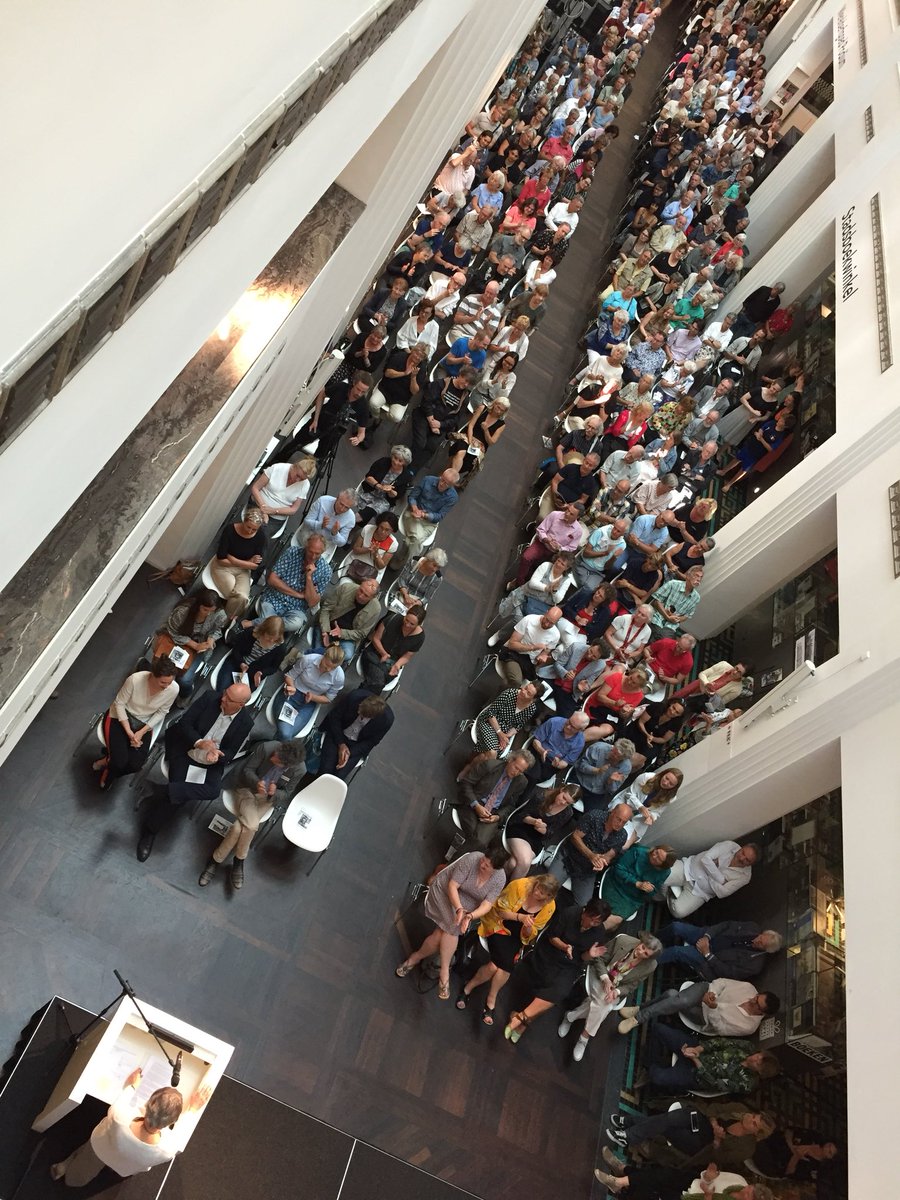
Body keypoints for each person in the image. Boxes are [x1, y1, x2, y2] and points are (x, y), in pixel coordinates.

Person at [137, 684, 255, 862]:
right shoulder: (209, 698)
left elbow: (231, 752)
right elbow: (184, 724)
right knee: (178, 798)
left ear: (240, 705)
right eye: (225, 693)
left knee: (212, 791)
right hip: (186, 750)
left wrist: (218, 756)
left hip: (210, 762)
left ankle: (159, 790)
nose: (223, 698)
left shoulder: (246, 722)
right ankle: (150, 832)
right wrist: (200, 742)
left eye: (229, 699)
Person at [50, 1069, 211, 1185]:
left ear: (148, 1104)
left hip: (102, 1149)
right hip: (127, 1165)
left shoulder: (120, 1116)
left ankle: (68, 1173)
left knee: (82, 1169)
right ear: (170, 1123)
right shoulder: (169, 1149)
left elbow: (123, 1095)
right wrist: (192, 1109)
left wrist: (132, 1085)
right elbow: (181, 1133)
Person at [396, 846, 508, 1000]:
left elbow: (487, 905)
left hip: (468, 905)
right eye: (483, 860)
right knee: (453, 926)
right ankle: (444, 972)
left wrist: (470, 916)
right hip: (444, 891)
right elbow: (452, 886)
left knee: (441, 933)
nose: (482, 864)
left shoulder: (500, 878)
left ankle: (414, 958)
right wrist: (459, 909)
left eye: (487, 865)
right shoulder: (472, 859)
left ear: (495, 869)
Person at [199, 740, 307, 889]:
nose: (273, 757)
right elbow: (247, 770)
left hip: (266, 799)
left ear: (286, 765)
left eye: (277, 760)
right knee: (252, 825)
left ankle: (215, 860)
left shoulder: (299, 770)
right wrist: (257, 783)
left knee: (238, 828)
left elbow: (287, 793)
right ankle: (239, 861)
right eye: (276, 754)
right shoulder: (267, 747)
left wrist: (275, 793)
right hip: (247, 789)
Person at [503, 897, 613, 1044]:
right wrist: (565, 947)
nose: (593, 924)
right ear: (585, 911)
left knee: (559, 991)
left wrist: (590, 955)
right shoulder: (570, 913)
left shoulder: (598, 932)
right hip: (551, 952)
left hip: (571, 964)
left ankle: (520, 1017)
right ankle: (522, 1023)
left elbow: (583, 957)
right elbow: (552, 937)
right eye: (592, 919)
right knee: (548, 988)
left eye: (597, 922)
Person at [458, 874, 560, 1024]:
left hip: (516, 936)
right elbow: (499, 911)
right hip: (499, 925)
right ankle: (489, 1000)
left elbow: (532, 933)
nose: (538, 893)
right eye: (538, 888)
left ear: (549, 897)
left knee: (495, 966)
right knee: (502, 966)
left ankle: (469, 988)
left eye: (543, 893)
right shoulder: (519, 886)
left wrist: (527, 928)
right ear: (536, 883)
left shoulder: (549, 907)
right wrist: (520, 918)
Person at [559, 930, 662, 1062]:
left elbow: (632, 986)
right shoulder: (623, 940)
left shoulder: (650, 966)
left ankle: (571, 1016)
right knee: (604, 1006)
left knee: (603, 1004)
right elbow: (599, 959)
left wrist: (617, 992)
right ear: (641, 942)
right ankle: (584, 1037)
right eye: (642, 947)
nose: (641, 952)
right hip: (600, 975)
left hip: (616, 987)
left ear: (650, 957)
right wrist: (605, 979)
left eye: (646, 953)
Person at [605, 1106, 777, 1174]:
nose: (750, 1119)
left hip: (702, 1147)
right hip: (704, 1125)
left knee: (670, 1126)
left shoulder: (747, 1149)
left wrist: (717, 1139)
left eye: (754, 1123)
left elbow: (717, 1158)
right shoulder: (739, 1110)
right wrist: (714, 1122)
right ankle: (628, 1132)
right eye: (754, 1116)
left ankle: (628, 1127)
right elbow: (713, 1108)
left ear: (757, 1133)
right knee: (677, 1117)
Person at [95, 657, 178, 788]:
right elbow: (119, 704)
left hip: (143, 724)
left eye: (170, 682)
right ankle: (110, 771)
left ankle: (107, 762)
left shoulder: (173, 689)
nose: (167, 686)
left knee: (135, 765)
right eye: (163, 682)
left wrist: (141, 731)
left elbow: (162, 712)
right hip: (120, 717)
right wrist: (129, 732)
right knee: (119, 762)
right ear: (153, 676)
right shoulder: (135, 680)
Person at [642, 1026, 781, 1096]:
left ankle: (652, 1067)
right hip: (700, 1049)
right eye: (759, 1056)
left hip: (696, 1074)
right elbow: (721, 1042)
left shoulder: (747, 1084)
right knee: (658, 1029)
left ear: (759, 1072)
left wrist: (696, 1060)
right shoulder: (749, 1048)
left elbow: (714, 1083)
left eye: (758, 1062)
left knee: (656, 1077)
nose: (755, 1057)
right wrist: (698, 1049)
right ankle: (651, 1062)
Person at [618, 978, 780, 1037]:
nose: (752, 1000)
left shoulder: (749, 1026)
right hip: (705, 990)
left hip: (704, 1016)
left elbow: (720, 1029)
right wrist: (712, 993)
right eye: (756, 997)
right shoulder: (749, 988)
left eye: (756, 1004)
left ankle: (639, 1010)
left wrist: (714, 1007)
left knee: (671, 995)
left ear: (761, 1012)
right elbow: (722, 982)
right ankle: (638, 1018)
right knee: (680, 1000)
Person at [549, 802, 632, 905]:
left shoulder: (622, 835)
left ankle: (565, 917)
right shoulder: (594, 816)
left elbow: (610, 854)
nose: (620, 824)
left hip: (587, 871)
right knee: (547, 887)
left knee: (584, 905)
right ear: (612, 812)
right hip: (568, 857)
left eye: (624, 822)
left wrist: (602, 861)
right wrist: (591, 855)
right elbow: (575, 837)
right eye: (618, 819)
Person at [157, 590, 227, 699]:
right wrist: (193, 644)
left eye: (211, 611)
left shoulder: (219, 614)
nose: (208, 614)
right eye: (205, 610)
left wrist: (211, 638)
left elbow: (218, 629)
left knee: (184, 680)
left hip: (200, 646)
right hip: (176, 641)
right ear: (198, 605)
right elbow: (172, 631)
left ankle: (185, 695)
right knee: (163, 670)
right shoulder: (182, 612)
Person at [656, 921, 784, 980]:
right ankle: (650, 941)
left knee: (676, 951)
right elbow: (726, 925)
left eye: (761, 943)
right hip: (708, 937)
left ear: (766, 950)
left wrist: (707, 954)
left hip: (708, 962)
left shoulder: (754, 965)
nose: (757, 940)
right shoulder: (753, 927)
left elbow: (727, 972)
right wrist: (707, 936)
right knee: (676, 927)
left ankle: (647, 959)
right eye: (760, 937)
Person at [258, 532, 332, 633]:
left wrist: (309, 578)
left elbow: (312, 602)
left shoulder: (326, 571)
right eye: (310, 552)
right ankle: (273, 636)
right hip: (274, 598)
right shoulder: (292, 552)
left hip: (297, 608)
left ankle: (257, 624)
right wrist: (299, 595)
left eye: (317, 553)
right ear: (306, 546)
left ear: (323, 552)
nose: (313, 556)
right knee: (268, 618)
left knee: (295, 623)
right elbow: (272, 579)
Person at [505, 783, 581, 879]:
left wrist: (544, 830)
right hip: (521, 828)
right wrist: (533, 821)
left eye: (567, 803)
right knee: (525, 861)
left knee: (513, 863)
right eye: (564, 798)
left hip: (537, 839)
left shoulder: (567, 813)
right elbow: (520, 816)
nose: (563, 802)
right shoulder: (541, 797)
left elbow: (551, 833)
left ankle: (498, 880)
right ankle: (510, 892)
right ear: (561, 790)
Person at [665, 841, 760, 917]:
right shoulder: (730, 845)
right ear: (742, 847)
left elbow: (723, 893)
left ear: (750, 864)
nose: (742, 858)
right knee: (662, 873)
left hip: (700, 892)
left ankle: (669, 891)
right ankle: (664, 889)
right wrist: (722, 880)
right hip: (688, 869)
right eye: (743, 852)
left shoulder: (745, 877)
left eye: (747, 860)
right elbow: (705, 859)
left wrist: (711, 870)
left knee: (678, 912)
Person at [274, 645, 346, 739]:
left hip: (309, 703)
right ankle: (270, 748)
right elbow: (290, 676)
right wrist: (292, 687)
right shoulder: (308, 660)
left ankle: (269, 747)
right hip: (292, 694)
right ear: (323, 656)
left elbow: (328, 698)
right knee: (286, 734)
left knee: (286, 734)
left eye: (333, 668)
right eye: (326, 665)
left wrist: (313, 697)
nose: (328, 670)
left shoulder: (339, 677)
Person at [319, 689, 393, 779]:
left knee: (339, 777)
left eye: (362, 715)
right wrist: (341, 743)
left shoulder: (386, 720)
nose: (358, 713)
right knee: (325, 771)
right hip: (338, 733)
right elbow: (335, 717)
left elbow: (371, 742)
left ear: (372, 717)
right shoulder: (354, 697)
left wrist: (349, 753)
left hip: (356, 746)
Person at [209, 508, 267, 620]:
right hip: (223, 567)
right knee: (239, 599)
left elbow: (255, 566)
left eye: (254, 529)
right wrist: (247, 562)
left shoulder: (260, 537)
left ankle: (221, 620)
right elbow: (221, 559)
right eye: (248, 527)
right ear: (243, 521)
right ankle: (225, 622)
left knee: (242, 597)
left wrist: (234, 560)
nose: (250, 531)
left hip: (242, 571)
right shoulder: (230, 530)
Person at [395, 469, 460, 565]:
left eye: (446, 484)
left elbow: (440, 516)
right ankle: (411, 564)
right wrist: (415, 509)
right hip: (412, 514)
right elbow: (412, 496)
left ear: (451, 486)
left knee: (413, 540)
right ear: (441, 476)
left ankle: (401, 558)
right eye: (442, 480)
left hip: (429, 522)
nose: (442, 484)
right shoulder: (428, 480)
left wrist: (424, 515)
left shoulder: (452, 497)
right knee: (417, 540)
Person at [603, 844, 676, 927]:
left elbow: (653, 891)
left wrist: (649, 890)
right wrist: (636, 883)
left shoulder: (665, 872)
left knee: (616, 920)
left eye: (659, 858)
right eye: (656, 851)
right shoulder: (638, 852)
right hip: (617, 884)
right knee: (604, 911)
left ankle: (594, 932)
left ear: (663, 865)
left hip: (633, 898)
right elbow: (619, 869)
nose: (654, 856)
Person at [360, 605, 426, 692]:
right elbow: (376, 638)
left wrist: (398, 664)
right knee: (378, 682)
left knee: (376, 682)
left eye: (412, 624)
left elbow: (407, 656)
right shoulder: (393, 619)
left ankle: (359, 697)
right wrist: (383, 653)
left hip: (392, 662)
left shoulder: (420, 637)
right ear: (405, 615)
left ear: (419, 624)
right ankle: (362, 701)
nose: (407, 625)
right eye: (406, 620)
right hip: (374, 653)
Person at [315, 578, 381, 661]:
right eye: (361, 590)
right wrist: (325, 631)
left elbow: (362, 633)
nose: (360, 596)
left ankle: (325, 660)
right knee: (318, 653)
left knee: (347, 654)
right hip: (328, 625)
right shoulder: (345, 588)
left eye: (366, 595)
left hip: (347, 637)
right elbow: (326, 609)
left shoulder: (375, 609)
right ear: (360, 585)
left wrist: (342, 633)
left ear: (373, 597)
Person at [471, 682, 539, 760]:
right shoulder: (509, 694)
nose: (523, 691)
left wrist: (506, 737)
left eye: (528, 693)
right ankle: (471, 766)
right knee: (493, 753)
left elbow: (518, 726)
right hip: (488, 722)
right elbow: (490, 713)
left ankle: (470, 765)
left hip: (504, 731)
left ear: (533, 699)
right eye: (525, 688)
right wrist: (500, 734)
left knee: (494, 753)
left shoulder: (531, 709)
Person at [497, 607, 562, 686]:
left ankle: (505, 693)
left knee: (533, 688)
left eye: (551, 623)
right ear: (546, 612)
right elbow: (512, 644)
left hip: (529, 662)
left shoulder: (556, 635)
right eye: (547, 620)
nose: (546, 624)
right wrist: (533, 647)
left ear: (556, 622)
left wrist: (542, 656)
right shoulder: (529, 620)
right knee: (517, 681)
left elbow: (546, 651)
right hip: (514, 654)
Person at [617, 767, 684, 844]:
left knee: (627, 843)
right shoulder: (646, 777)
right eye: (666, 778)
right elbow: (629, 794)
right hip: (625, 803)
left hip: (640, 816)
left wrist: (651, 818)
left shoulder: (671, 798)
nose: (666, 783)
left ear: (674, 787)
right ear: (663, 773)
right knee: (617, 822)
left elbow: (657, 812)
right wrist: (640, 807)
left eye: (671, 784)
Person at [249, 456, 317, 527]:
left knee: (262, 533)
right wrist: (264, 508)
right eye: (297, 476)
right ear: (293, 467)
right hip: (258, 504)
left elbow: (293, 509)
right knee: (252, 525)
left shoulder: (305, 484)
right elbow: (255, 488)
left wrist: (274, 511)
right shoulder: (277, 468)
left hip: (278, 516)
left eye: (302, 479)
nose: (297, 480)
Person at [526, 711, 590, 786]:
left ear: (580, 730)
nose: (568, 726)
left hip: (551, 764)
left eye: (573, 727)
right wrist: (542, 751)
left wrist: (558, 764)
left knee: (534, 777)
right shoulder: (554, 722)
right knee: (532, 776)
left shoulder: (579, 742)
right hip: (537, 751)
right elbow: (536, 740)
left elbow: (566, 762)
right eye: (569, 722)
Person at [573, 738, 637, 812]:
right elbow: (580, 766)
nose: (613, 755)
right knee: (567, 797)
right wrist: (597, 770)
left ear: (623, 759)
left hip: (597, 792)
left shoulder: (626, 767)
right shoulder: (598, 748)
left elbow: (612, 791)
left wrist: (610, 781)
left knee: (594, 815)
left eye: (617, 756)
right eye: (614, 751)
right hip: (580, 781)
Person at [356, 446, 416, 525]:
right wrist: (379, 486)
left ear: (404, 463)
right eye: (395, 458)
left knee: (370, 511)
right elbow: (368, 477)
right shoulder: (383, 461)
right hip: (369, 490)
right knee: (365, 513)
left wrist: (390, 491)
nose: (395, 462)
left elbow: (398, 495)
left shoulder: (406, 476)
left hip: (384, 500)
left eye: (400, 461)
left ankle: (352, 521)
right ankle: (353, 523)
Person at [347, 512, 400, 581]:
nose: (383, 532)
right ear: (378, 524)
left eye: (387, 530)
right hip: (357, 560)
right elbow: (355, 550)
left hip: (373, 569)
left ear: (392, 530)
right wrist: (368, 549)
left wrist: (376, 554)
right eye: (381, 527)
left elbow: (381, 566)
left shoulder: (393, 544)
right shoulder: (367, 529)